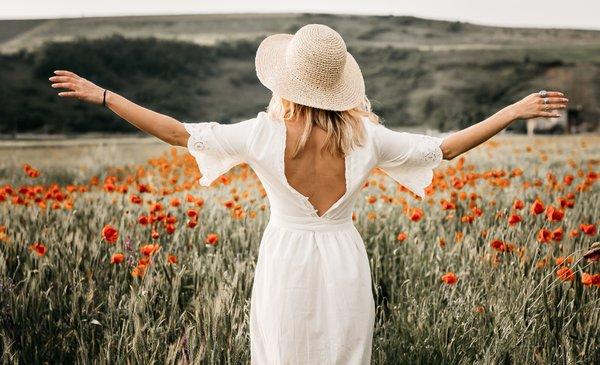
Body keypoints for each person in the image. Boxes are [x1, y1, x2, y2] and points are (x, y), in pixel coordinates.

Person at [48, 23, 567, 364]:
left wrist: (106, 96)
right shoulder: (368, 138)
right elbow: (444, 149)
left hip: (286, 257)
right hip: (344, 258)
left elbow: (176, 131)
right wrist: (512, 112)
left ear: (285, 83)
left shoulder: (261, 134)